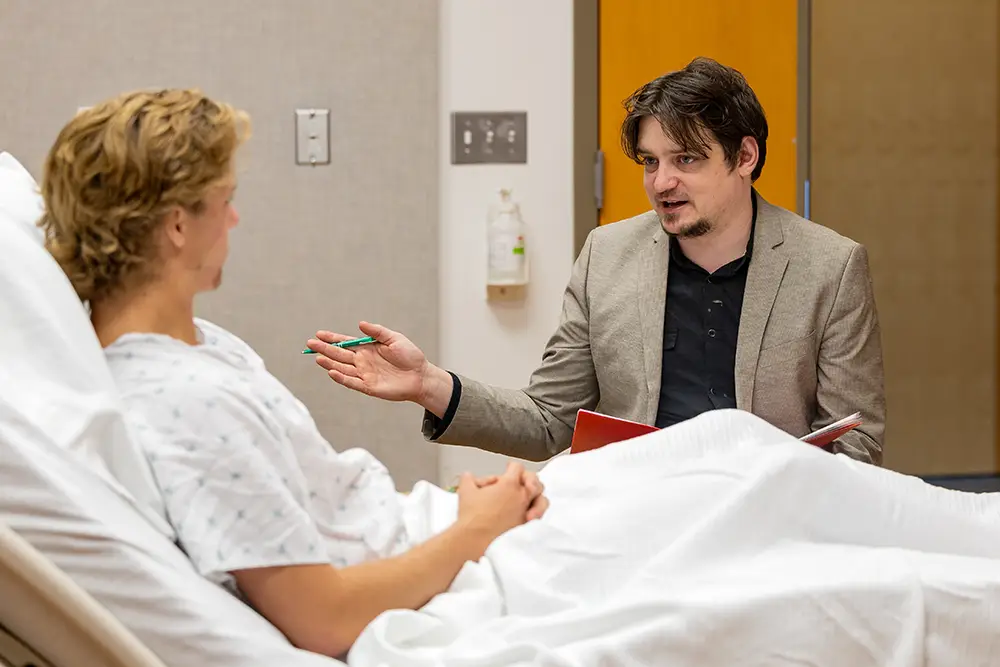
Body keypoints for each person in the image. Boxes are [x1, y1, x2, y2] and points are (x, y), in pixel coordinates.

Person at [37, 88, 548, 659]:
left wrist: (454, 508)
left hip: (423, 527)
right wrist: (477, 529)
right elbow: (324, 618)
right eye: (224, 199)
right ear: (178, 225)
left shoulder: (198, 348)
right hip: (438, 563)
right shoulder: (181, 401)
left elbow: (317, 507)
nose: (235, 217)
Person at [307, 56, 886, 465]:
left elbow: (857, 445)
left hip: (767, 522)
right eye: (649, 161)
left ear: (745, 157)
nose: (662, 182)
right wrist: (430, 384)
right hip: (634, 515)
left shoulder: (829, 268)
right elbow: (549, 421)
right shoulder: (607, 256)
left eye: (685, 159)